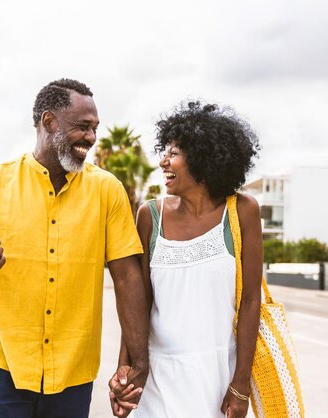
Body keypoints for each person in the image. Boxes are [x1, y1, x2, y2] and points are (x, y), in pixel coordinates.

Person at [0, 78, 149, 418]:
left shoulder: (107, 190)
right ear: (49, 121)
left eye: (95, 129)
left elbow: (127, 278)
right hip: (1, 364)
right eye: (82, 127)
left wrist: (138, 361)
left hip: (73, 371)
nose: (91, 138)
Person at [109, 101, 262, 418]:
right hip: (159, 375)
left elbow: (250, 301)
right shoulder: (150, 215)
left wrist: (241, 384)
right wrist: (126, 367)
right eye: (164, 151)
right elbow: (138, 302)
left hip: (219, 374)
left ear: (204, 158)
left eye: (173, 153)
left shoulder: (243, 211)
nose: (163, 160)